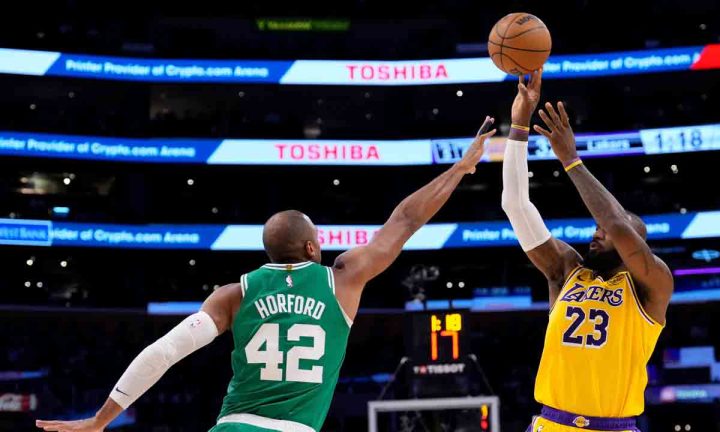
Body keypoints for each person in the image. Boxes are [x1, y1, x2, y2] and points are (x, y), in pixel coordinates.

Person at [35, 117, 497, 432]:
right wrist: (461, 165)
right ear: (313, 247)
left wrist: (101, 419)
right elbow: (405, 220)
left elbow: (164, 352)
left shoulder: (234, 294)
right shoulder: (342, 279)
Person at [501, 70, 674, 432]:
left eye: (610, 231)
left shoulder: (652, 284)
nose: (598, 230)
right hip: (551, 424)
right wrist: (518, 127)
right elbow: (516, 206)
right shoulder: (566, 269)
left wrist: (572, 161)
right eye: (596, 227)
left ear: (635, 245)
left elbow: (614, 223)